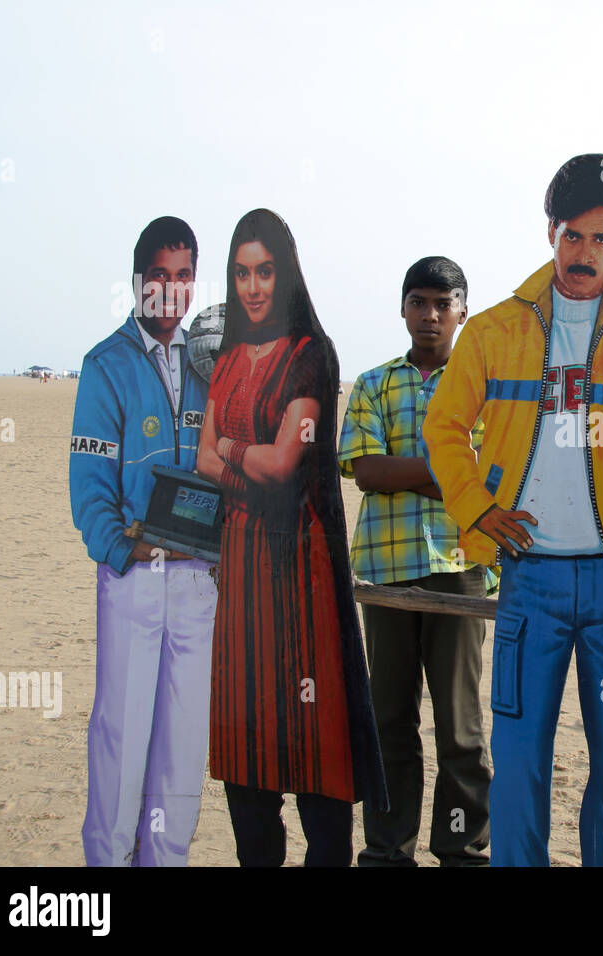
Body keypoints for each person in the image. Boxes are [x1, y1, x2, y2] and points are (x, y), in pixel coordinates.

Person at [423, 153, 603, 866]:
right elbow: (444, 427)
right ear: (550, 230)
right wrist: (479, 510)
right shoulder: (492, 330)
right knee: (518, 769)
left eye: (600, 239)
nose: (583, 253)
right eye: (572, 235)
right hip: (529, 583)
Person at [196, 208, 386, 867]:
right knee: (248, 745)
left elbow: (285, 466)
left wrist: (229, 446)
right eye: (242, 272)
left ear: (286, 273)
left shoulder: (311, 356)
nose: (253, 286)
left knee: (312, 742)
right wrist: (241, 454)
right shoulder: (224, 359)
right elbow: (204, 463)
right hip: (241, 566)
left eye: (265, 271)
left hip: (299, 567)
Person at [70, 215, 216, 866]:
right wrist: (123, 549)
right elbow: (89, 482)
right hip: (133, 581)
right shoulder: (105, 365)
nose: (171, 290)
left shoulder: (213, 368)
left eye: (184, 277)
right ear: (137, 282)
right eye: (160, 275)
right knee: (122, 744)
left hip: (198, 588)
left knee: (181, 754)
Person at [339, 256, 494, 866]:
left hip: (460, 569)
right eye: (418, 302)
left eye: (442, 302)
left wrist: (432, 477)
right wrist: (447, 474)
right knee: (389, 720)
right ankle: (386, 849)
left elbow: (488, 475)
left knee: (460, 726)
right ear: (403, 308)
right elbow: (366, 470)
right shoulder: (374, 384)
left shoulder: (486, 386)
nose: (429, 314)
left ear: (462, 310)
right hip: (385, 571)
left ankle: (462, 850)